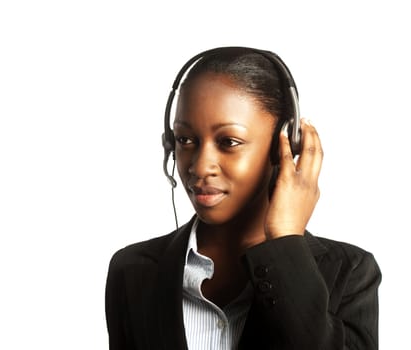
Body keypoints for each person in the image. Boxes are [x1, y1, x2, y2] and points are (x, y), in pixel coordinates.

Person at [105, 47, 381, 349]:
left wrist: (286, 238)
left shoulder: (349, 273)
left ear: (286, 146)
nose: (200, 166)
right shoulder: (132, 272)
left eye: (229, 142)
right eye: (185, 140)